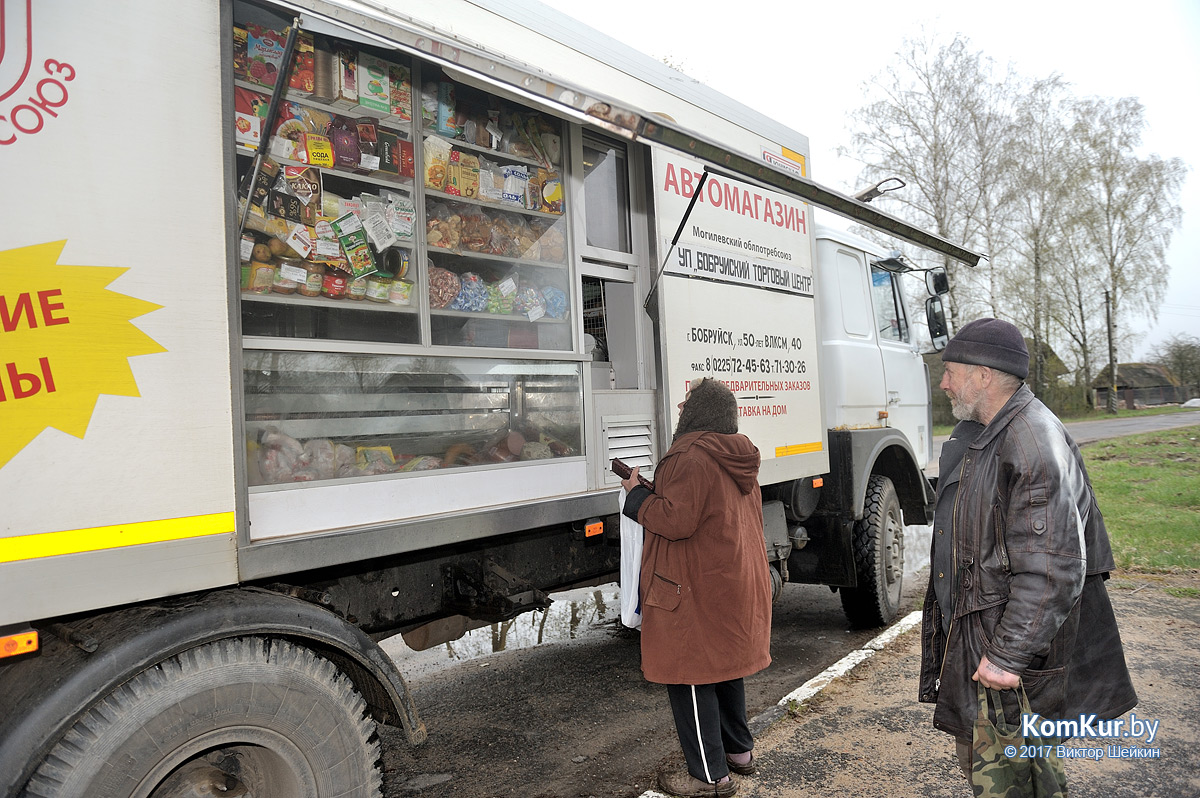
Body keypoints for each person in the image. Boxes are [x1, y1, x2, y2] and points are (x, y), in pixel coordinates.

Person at [918, 318, 1138, 787]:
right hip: (988, 638)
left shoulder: (1029, 442)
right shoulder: (991, 430)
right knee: (990, 773)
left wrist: (1007, 656)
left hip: (1009, 656)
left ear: (983, 375)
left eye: (951, 371)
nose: (943, 383)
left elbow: (1054, 567)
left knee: (1017, 783)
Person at [620, 377, 772, 798]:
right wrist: (658, 494)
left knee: (689, 674)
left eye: (687, 403)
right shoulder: (736, 454)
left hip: (694, 587)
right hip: (729, 581)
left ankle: (709, 778)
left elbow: (676, 521)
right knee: (725, 668)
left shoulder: (688, 456)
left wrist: (635, 497)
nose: (681, 409)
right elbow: (699, 509)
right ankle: (739, 754)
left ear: (699, 411)